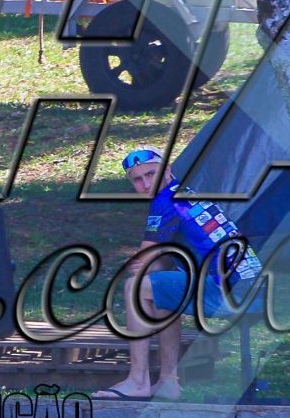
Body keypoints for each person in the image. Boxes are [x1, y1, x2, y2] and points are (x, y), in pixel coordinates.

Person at [95, 147, 261, 400]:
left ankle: (138, 381)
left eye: (151, 174)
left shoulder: (165, 202)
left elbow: (142, 262)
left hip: (231, 291)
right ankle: (168, 382)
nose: (146, 184)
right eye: (137, 179)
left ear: (167, 169)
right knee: (159, 289)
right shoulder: (185, 194)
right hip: (253, 287)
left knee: (135, 287)